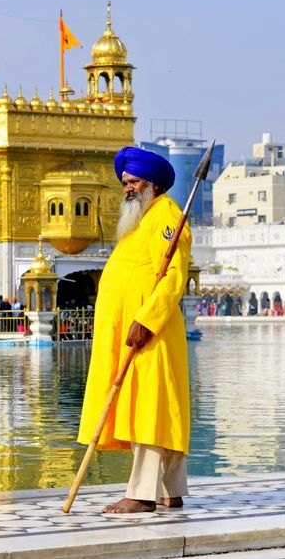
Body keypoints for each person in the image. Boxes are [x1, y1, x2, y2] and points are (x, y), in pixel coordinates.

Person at [77, 146, 191, 514]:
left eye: (134, 182)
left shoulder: (167, 216)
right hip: (132, 330)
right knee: (159, 407)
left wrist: (146, 320)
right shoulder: (141, 218)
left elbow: (174, 275)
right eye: (125, 183)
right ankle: (170, 490)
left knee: (150, 407)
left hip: (149, 330)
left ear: (153, 184)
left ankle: (141, 494)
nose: (127, 188)